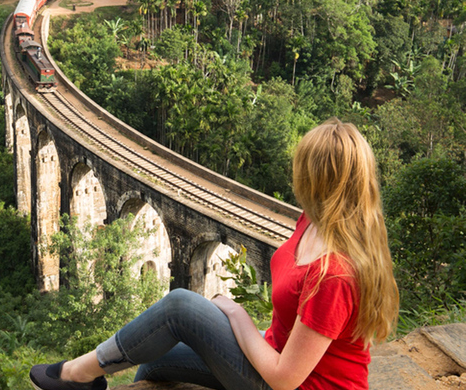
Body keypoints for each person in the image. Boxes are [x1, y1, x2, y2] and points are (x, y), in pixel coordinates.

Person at [30, 118, 399, 390]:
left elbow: (285, 378)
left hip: (294, 386)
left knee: (180, 308)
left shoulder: (335, 273)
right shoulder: (313, 221)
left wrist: (238, 316)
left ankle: (78, 373)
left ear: (315, 178)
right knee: (154, 360)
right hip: (271, 356)